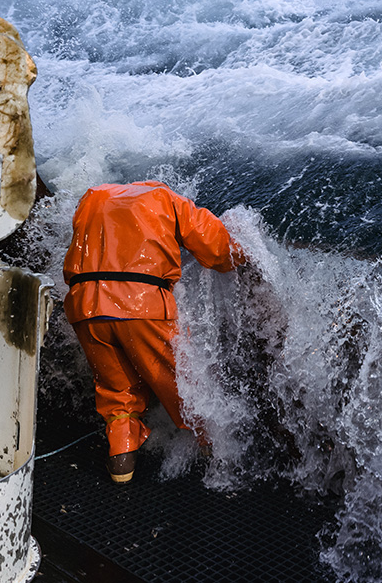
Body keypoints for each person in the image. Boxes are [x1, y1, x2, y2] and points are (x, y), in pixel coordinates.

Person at [62, 181, 246, 483]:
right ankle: (218, 457)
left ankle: (122, 463)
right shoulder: (166, 198)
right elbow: (215, 248)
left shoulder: (93, 197)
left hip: (85, 306)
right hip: (141, 304)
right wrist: (244, 253)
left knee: (117, 391)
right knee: (183, 387)